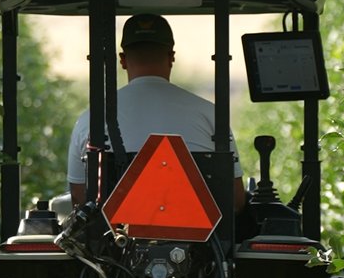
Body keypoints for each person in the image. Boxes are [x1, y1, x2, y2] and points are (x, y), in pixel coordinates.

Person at [67, 14, 247, 212]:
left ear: (123, 60)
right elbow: (235, 200)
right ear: (171, 57)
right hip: (200, 240)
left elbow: (80, 197)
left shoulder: (90, 120)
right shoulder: (212, 115)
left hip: (115, 240)